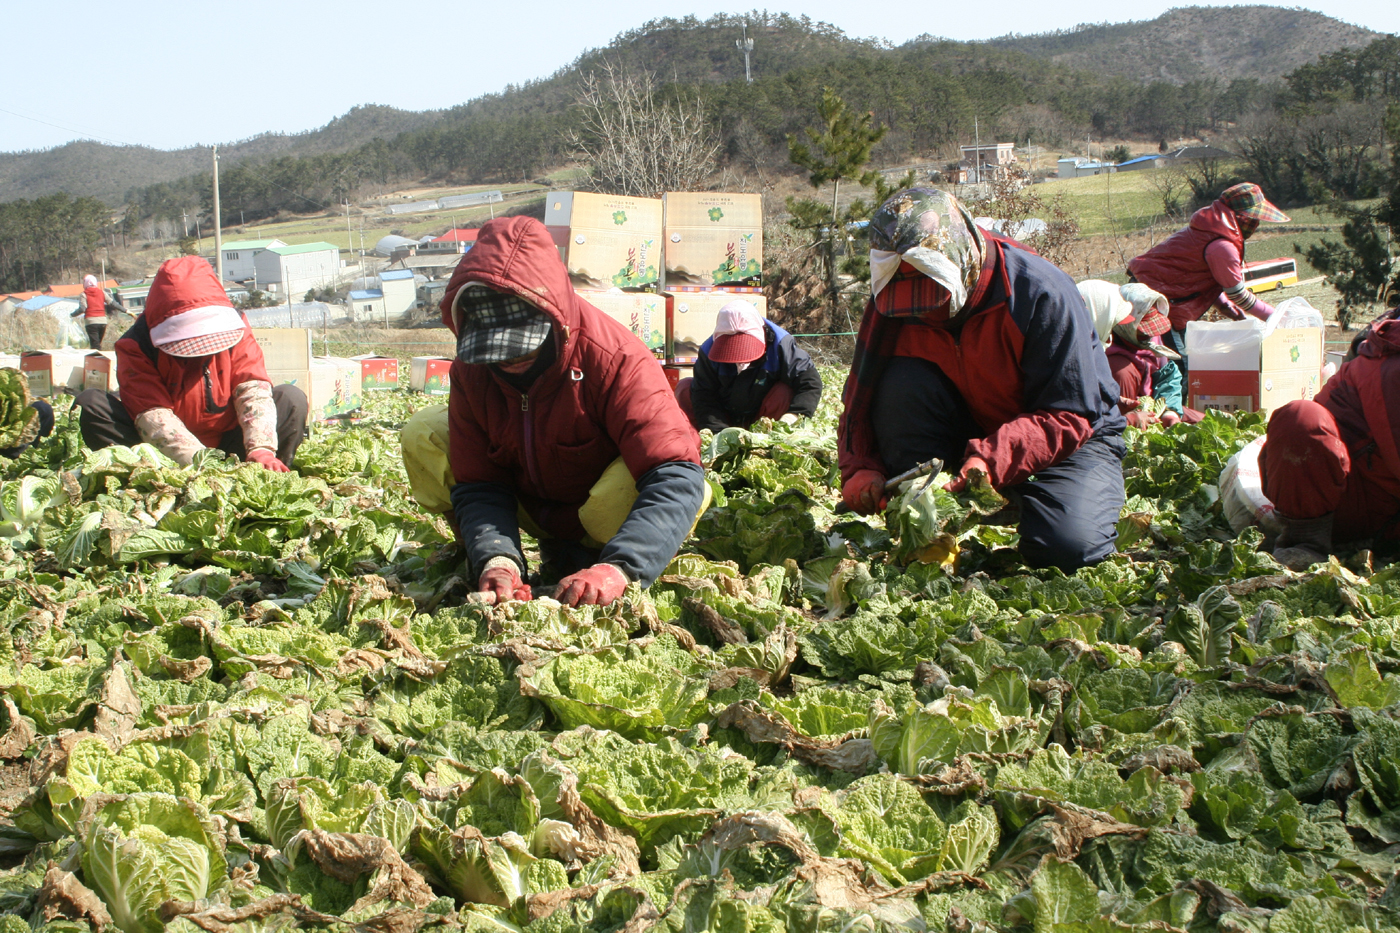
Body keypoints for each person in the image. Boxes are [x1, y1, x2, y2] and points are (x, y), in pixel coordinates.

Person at [399, 216, 709, 609]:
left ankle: (611, 555)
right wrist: (496, 558)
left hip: (604, 508)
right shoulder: (471, 371)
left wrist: (620, 568)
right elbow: (479, 483)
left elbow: (675, 475)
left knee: (621, 496)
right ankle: (496, 559)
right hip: (533, 501)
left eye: (522, 347)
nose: (509, 360)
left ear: (553, 319)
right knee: (423, 432)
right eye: (495, 351)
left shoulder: (615, 357)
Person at [839, 188, 1126, 573]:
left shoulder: (1038, 292)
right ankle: (932, 508)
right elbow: (862, 396)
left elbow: (1070, 413)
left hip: (1073, 434)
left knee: (1065, 548)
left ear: (962, 261)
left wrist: (993, 459)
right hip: (970, 421)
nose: (925, 314)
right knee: (899, 381)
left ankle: (1029, 497)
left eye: (936, 296)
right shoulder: (894, 298)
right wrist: (861, 465)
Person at [74, 256, 306, 469]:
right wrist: (203, 466)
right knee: (92, 404)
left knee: (290, 398)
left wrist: (261, 449)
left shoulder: (236, 326)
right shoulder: (137, 344)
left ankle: (269, 472)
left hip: (234, 443)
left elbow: (252, 387)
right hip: (164, 456)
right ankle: (144, 479)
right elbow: (153, 417)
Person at [1258, 318, 1400, 570]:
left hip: (1388, 509)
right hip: (1339, 498)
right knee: (1301, 419)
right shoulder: (1390, 368)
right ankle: (1305, 543)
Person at [1126, 182, 1291, 371]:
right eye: (1253, 218)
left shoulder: (1211, 231)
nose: (1256, 224)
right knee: (1178, 368)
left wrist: (1224, 306)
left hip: (1164, 299)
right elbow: (1238, 295)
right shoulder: (1222, 245)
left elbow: (1207, 278)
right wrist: (1275, 317)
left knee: (1183, 365)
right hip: (1153, 301)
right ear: (1239, 216)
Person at [674, 299, 824, 431]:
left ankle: (768, 441)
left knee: (783, 392)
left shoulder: (781, 344)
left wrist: (792, 417)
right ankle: (696, 438)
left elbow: (810, 383)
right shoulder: (708, 351)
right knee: (685, 388)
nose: (740, 361)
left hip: (763, 416)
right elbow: (703, 395)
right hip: (725, 413)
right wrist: (720, 434)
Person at [1078, 280, 1199, 427]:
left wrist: (1170, 411)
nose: (1149, 335)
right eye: (1143, 330)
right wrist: (1129, 420)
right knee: (1122, 370)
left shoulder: (1152, 341)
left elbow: (1167, 376)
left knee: (1201, 422)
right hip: (1128, 418)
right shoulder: (1107, 353)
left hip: (1154, 408)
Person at [76, 274, 122, 350]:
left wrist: (72, 314)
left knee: (95, 346)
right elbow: (112, 303)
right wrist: (126, 310)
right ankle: (98, 358)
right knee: (97, 344)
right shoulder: (102, 292)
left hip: (91, 322)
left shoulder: (84, 294)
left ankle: (97, 360)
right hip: (103, 322)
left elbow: (82, 309)